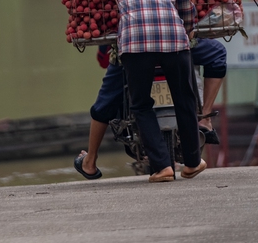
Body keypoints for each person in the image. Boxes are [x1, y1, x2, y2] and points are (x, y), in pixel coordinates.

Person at [67, 0, 206, 183]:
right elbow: (186, 8)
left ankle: (162, 167)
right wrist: (186, 31)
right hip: (173, 40)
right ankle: (191, 162)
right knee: (185, 101)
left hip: (136, 43)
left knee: (141, 104)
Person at [73, 37, 226, 181]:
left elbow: (104, 56)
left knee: (110, 104)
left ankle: (90, 161)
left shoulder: (125, 8)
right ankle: (205, 118)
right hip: (175, 48)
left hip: (135, 51)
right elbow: (188, 16)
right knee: (215, 56)